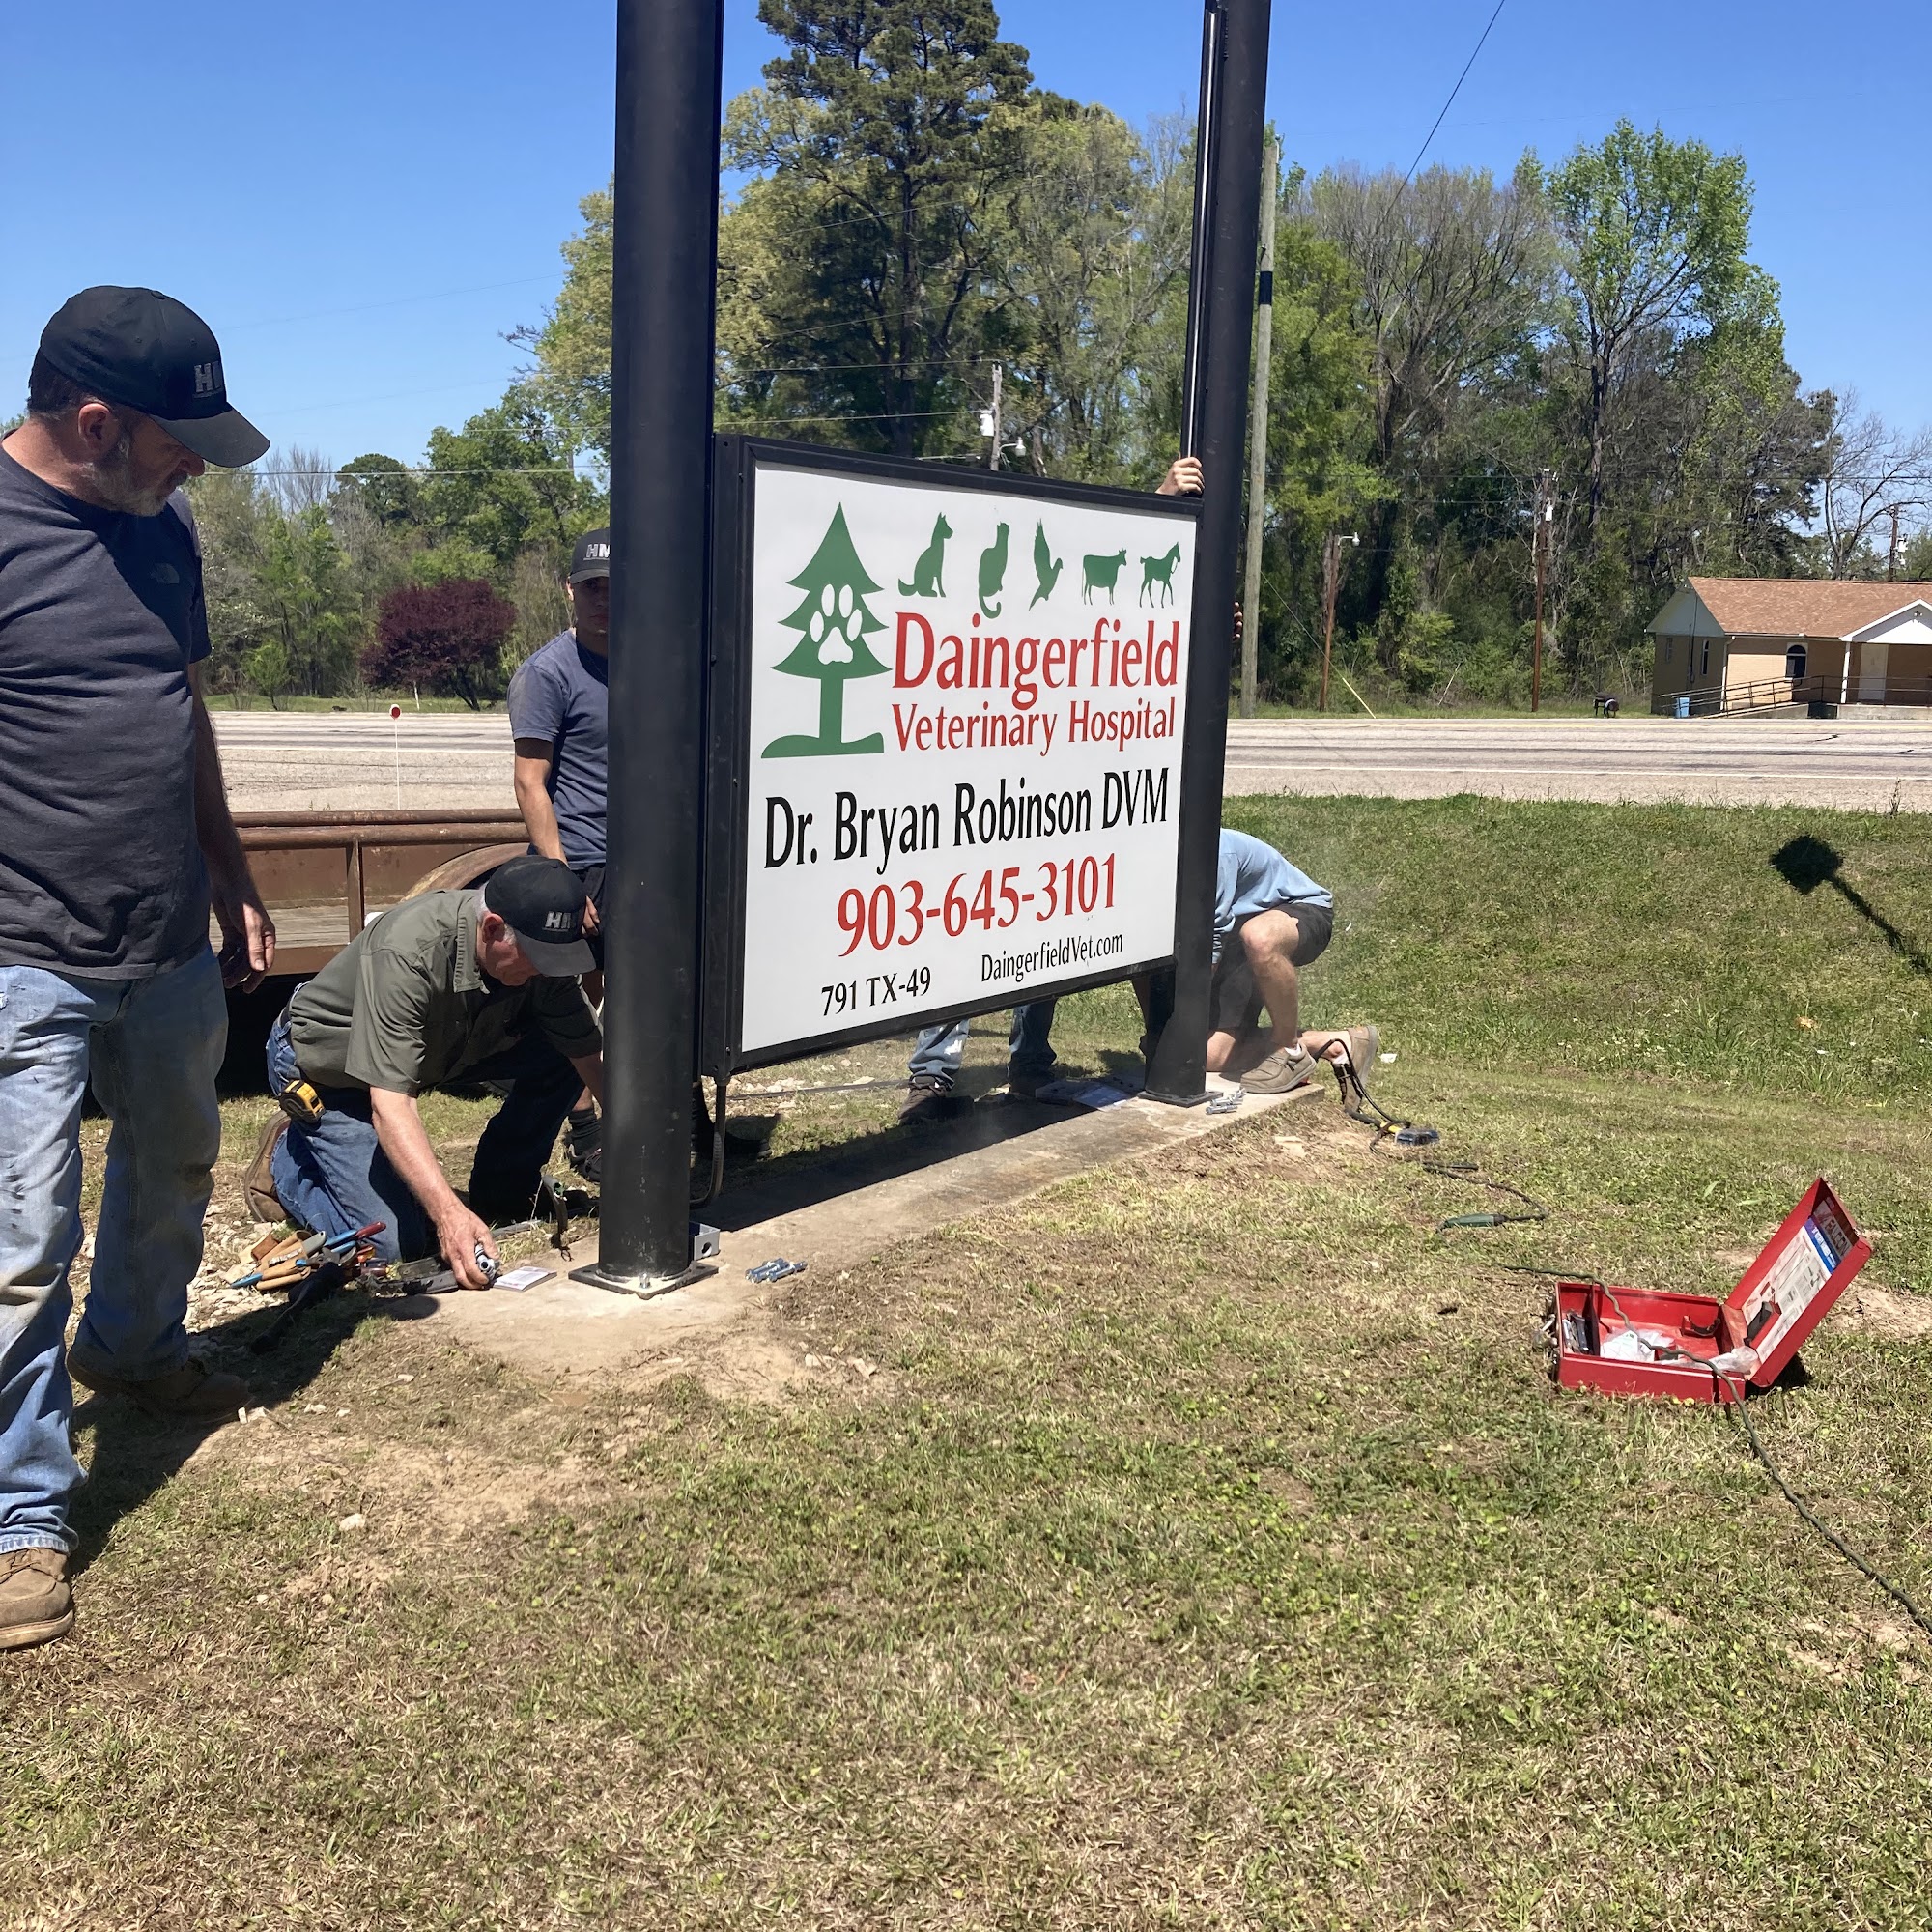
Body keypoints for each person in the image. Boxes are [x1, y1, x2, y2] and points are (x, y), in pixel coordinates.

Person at [0, 286, 275, 1652]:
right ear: (95, 420)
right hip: (21, 953)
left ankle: (135, 1347)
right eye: (180, 441)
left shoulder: (162, 537)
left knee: (173, 1164)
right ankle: (21, 1517)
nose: (194, 470)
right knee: (16, 1242)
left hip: (164, 933)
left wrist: (229, 872)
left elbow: (183, 709)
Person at [899, 454, 1207, 1125]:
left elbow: (1114, 596)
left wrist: (1201, 613)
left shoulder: (1051, 588)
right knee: (958, 932)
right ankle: (934, 1073)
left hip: (1044, 792)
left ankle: (1029, 1062)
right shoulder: (965, 586)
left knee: (1040, 925)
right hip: (971, 792)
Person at [262, 857, 605, 1290]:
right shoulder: (408, 950)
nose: (544, 969)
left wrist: (644, 1152)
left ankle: (503, 1186)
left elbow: (587, 1054)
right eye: (537, 957)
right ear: (493, 928)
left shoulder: (534, 953)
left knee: (560, 1052)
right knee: (392, 1244)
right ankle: (288, 1160)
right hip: (331, 1074)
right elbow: (391, 1104)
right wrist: (447, 1215)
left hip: (435, 1057)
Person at [507, 528, 610, 1180]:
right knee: (579, 1001)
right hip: (579, 856)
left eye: (616, 589)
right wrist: (564, 880)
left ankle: (660, 1115)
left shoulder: (645, 661)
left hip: (643, 863)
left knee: (636, 997)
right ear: (570, 591)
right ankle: (586, 1130)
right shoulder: (546, 673)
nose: (605, 601)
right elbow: (529, 782)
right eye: (593, 588)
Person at [1196, 828, 1372, 1093]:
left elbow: (1213, 935)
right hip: (1236, 936)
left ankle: (1290, 1051)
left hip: (1300, 909)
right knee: (1209, 1055)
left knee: (1260, 938)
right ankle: (1337, 1042)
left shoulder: (1214, 853)